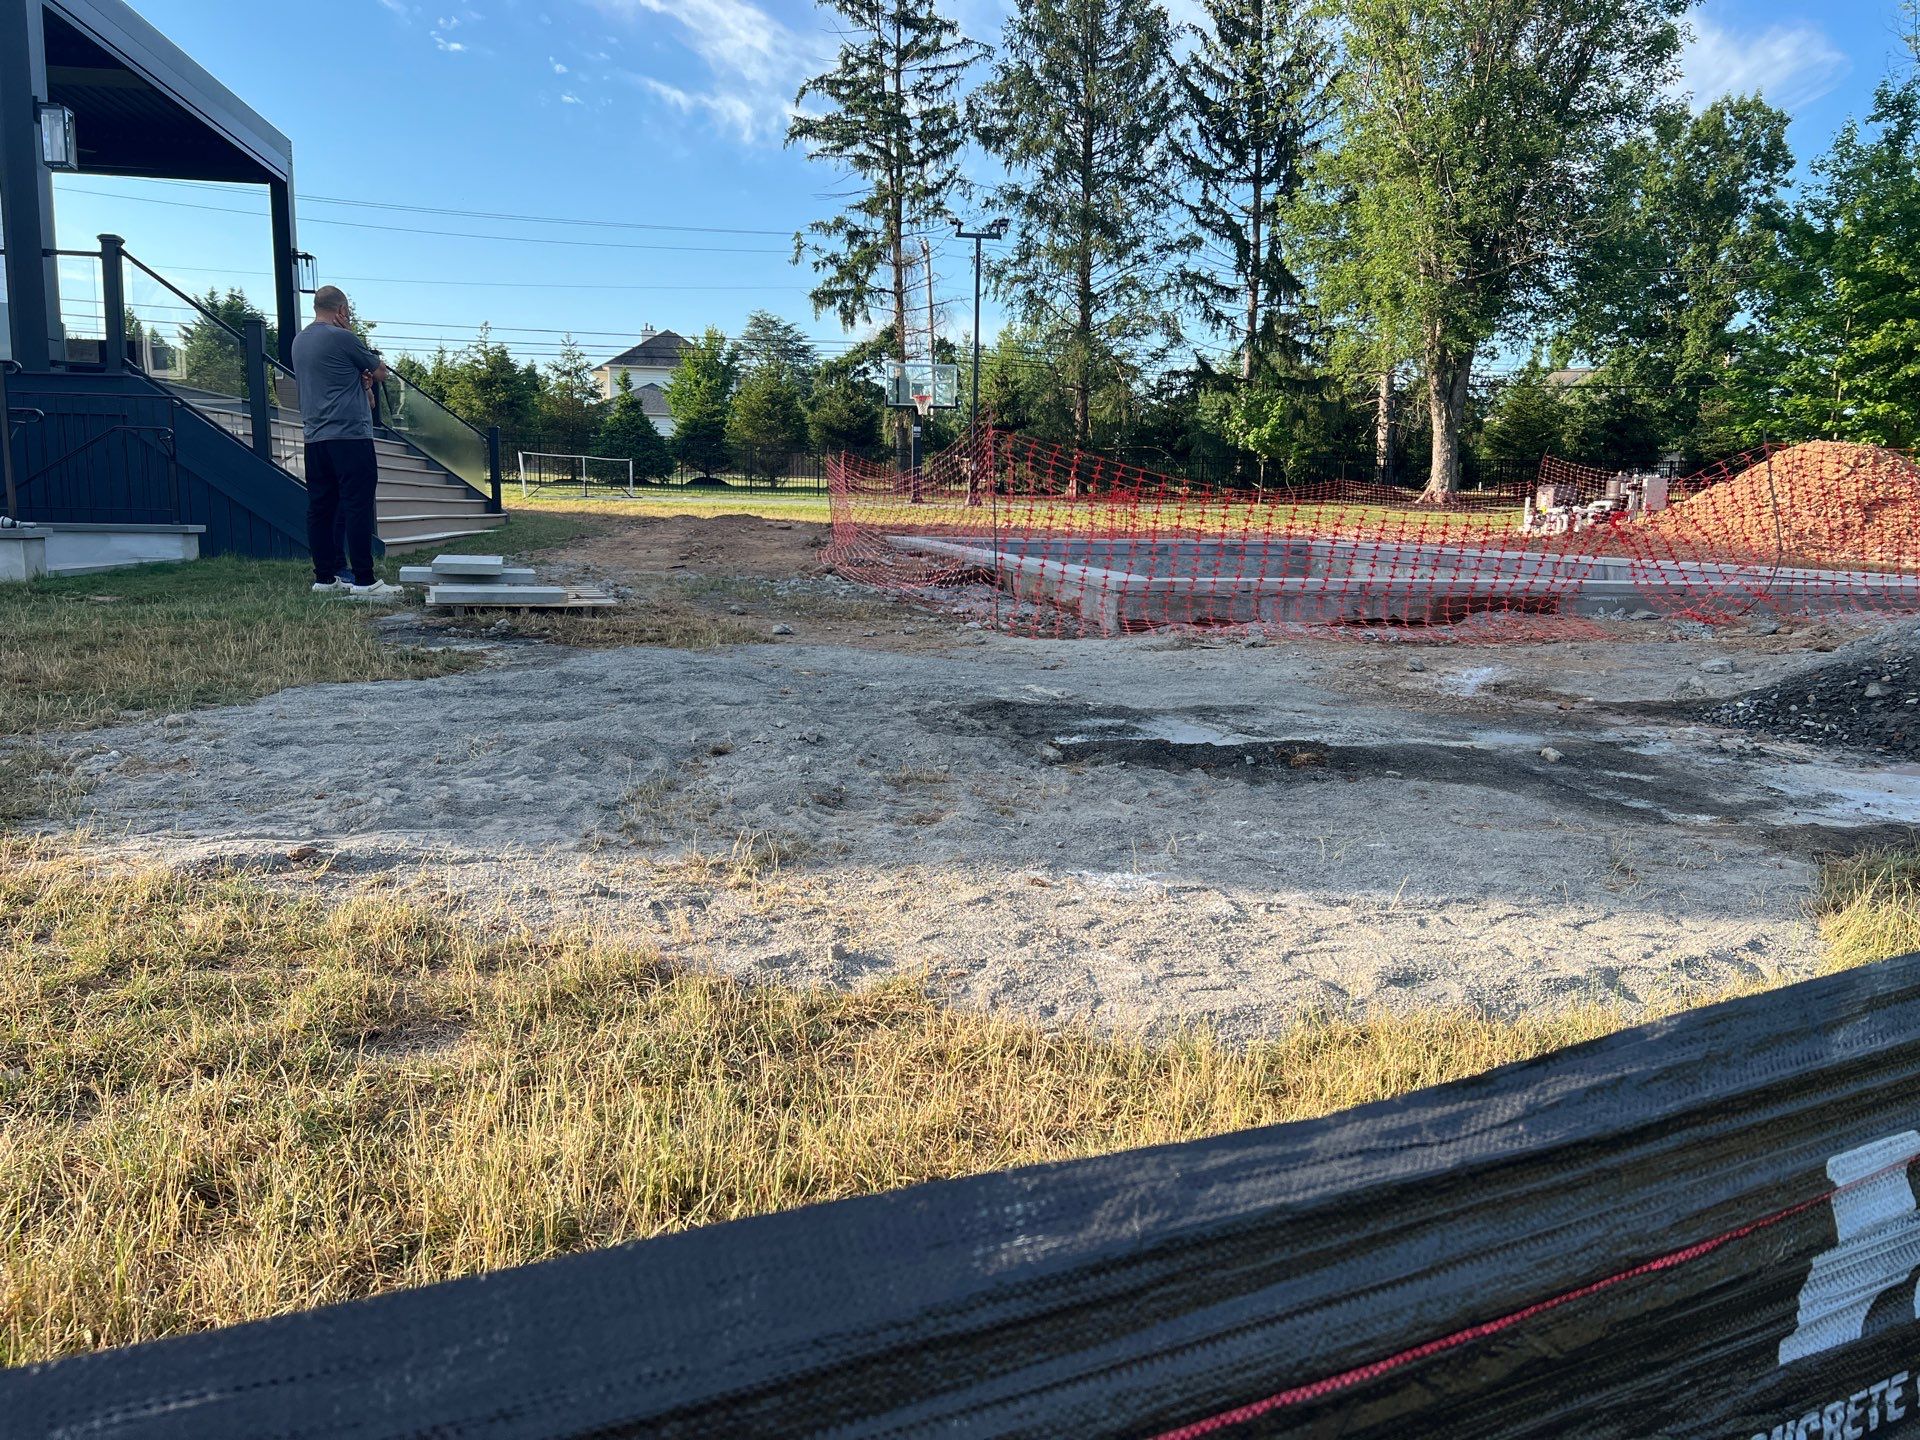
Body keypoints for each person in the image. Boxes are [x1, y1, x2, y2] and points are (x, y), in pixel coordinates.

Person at [290, 285, 401, 599]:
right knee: (357, 506)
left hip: (315, 439)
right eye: (347, 313)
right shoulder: (342, 337)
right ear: (341, 311)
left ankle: (325, 578)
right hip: (350, 437)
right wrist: (363, 357)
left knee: (321, 509)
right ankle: (365, 581)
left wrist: (360, 383)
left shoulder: (300, 342)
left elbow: (354, 387)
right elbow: (381, 372)